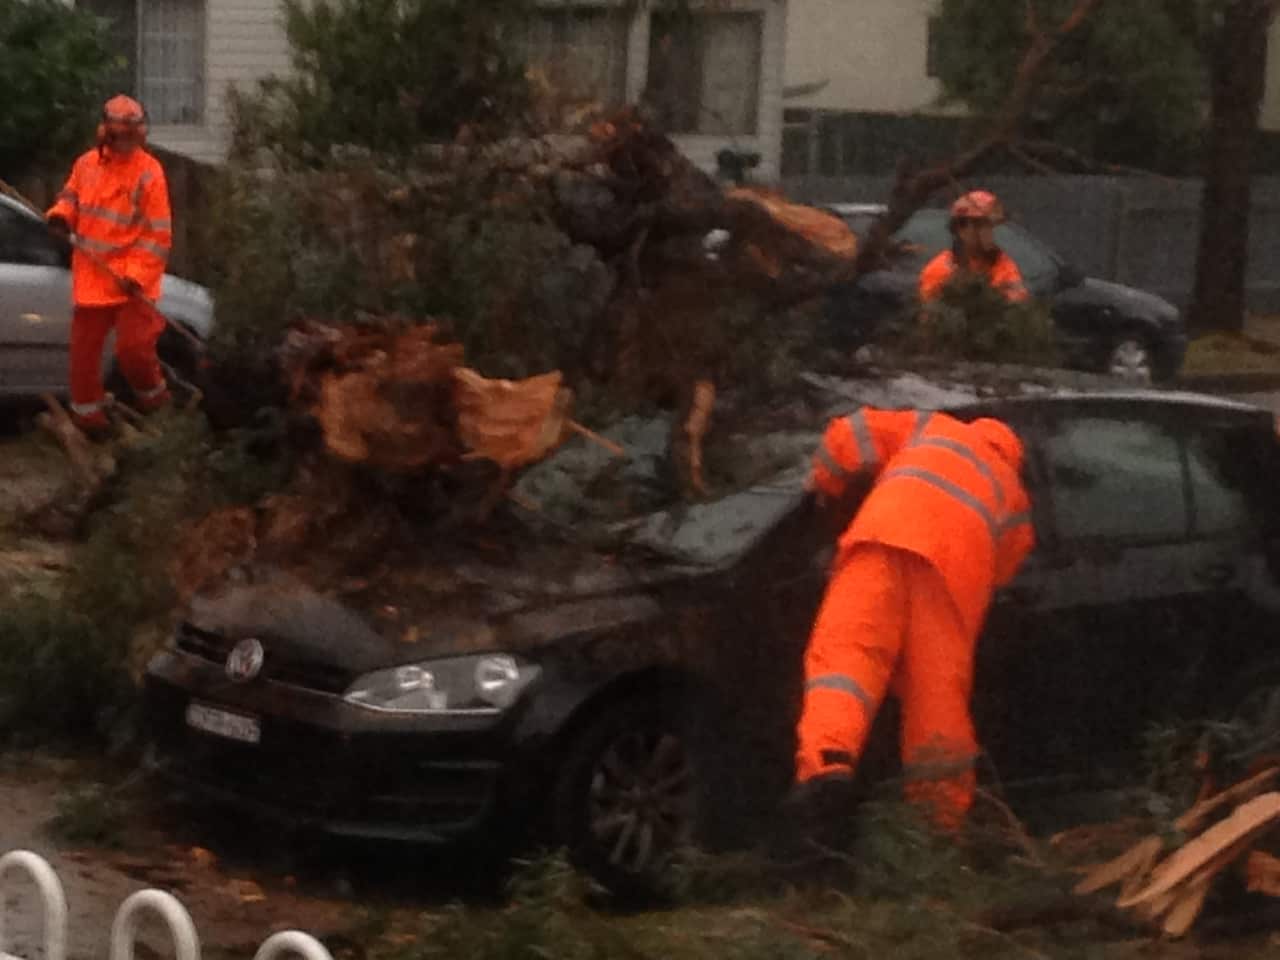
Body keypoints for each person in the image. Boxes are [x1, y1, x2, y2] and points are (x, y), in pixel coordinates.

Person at [792, 406, 1035, 834]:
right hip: (948, 580)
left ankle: (826, 766)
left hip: (881, 537)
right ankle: (938, 824)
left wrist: (826, 488)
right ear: (1013, 455)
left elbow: (850, 434)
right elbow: (1007, 567)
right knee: (936, 697)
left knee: (845, 660)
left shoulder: (931, 427)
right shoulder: (1012, 494)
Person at [46, 94, 173, 438]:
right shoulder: (86, 164)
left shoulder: (150, 174)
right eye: (119, 134)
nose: (125, 141)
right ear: (106, 132)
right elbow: (70, 198)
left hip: (131, 280)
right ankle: (88, 418)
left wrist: (135, 275)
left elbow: (157, 235)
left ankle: (158, 404)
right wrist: (60, 218)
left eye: (130, 134)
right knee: (83, 356)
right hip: (93, 273)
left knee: (134, 350)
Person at [918, 191, 1028, 305]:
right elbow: (931, 316)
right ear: (962, 230)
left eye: (991, 227)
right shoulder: (939, 271)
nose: (990, 235)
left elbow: (1018, 303)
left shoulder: (1001, 263)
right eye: (984, 226)